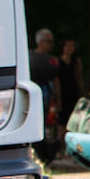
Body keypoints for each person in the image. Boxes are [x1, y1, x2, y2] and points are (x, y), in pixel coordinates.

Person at [28, 28, 63, 162]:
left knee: (47, 123)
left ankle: (45, 154)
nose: (51, 45)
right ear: (40, 42)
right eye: (49, 41)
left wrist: (58, 99)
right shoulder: (29, 56)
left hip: (47, 95)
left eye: (52, 42)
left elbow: (56, 79)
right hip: (32, 94)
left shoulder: (52, 60)